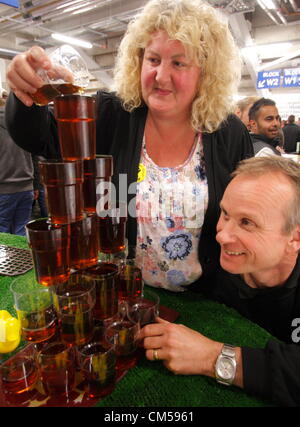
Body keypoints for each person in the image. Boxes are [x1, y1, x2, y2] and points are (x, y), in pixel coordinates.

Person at [5, 0, 253, 291]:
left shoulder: (227, 132)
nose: (161, 76)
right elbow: (39, 137)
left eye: (179, 62)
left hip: (204, 298)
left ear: (205, 72)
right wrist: (26, 92)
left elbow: (246, 214)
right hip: (117, 292)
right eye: (153, 59)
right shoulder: (110, 114)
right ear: (138, 60)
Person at [140, 156, 300, 407]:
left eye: (247, 222)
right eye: (225, 213)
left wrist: (210, 357)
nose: (222, 235)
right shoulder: (208, 259)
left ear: (295, 237)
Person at [0, 91, 37, 236]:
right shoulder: (22, 123)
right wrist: (36, 185)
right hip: (26, 186)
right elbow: (35, 155)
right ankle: (23, 258)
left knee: (3, 235)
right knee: (21, 232)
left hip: (3, 189)